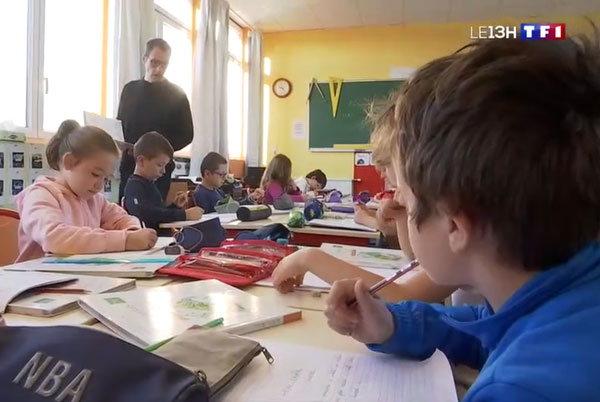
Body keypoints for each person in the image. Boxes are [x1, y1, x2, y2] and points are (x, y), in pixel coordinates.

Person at [325, 36, 600, 401]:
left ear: (455, 225)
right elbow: (483, 329)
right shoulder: (567, 291)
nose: (400, 207)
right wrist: (390, 325)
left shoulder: (520, 390)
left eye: (404, 197)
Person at [15, 120, 157, 262]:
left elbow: (122, 219)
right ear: (69, 162)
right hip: (38, 279)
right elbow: (53, 238)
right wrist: (125, 240)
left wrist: (133, 231)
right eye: (96, 174)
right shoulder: (40, 195)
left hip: (79, 276)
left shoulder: (95, 200)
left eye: (105, 178)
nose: (99, 185)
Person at [117, 38, 193, 202]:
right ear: (144, 59)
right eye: (154, 62)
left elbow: (187, 134)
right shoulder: (129, 90)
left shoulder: (177, 94)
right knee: (125, 214)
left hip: (159, 168)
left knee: (152, 214)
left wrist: (158, 151)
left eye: (164, 64)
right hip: (130, 163)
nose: (158, 69)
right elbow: (121, 124)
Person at [123, 132, 203, 231]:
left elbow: (159, 213)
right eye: (160, 165)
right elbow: (146, 215)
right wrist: (183, 215)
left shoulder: (149, 184)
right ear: (141, 161)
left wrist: (175, 206)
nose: (164, 171)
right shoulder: (134, 186)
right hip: (151, 242)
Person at [192, 152, 263, 213]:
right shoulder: (200, 194)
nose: (224, 178)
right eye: (221, 175)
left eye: (225, 175)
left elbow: (233, 206)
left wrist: (251, 198)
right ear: (207, 173)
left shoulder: (218, 191)